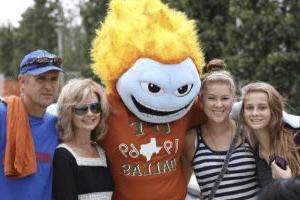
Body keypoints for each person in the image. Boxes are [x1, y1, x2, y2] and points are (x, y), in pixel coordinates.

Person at [183, 59, 260, 200]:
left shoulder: (249, 132)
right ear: (201, 100)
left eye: (225, 98)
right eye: (211, 98)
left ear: (233, 100)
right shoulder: (191, 140)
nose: (219, 105)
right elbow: (181, 187)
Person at [0, 49, 63, 200]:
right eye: (41, 79)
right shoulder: (3, 115)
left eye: (53, 79)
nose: (48, 86)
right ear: (22, 82)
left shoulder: (57, 125)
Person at [52, 78, 114, 200]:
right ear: (68, 112)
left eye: (95, 107)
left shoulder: (102, 152)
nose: (90, 114)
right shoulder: (63, 155)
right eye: (81, 109)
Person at [240, 82, 300, 187]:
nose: (254, 113)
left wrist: (287, 181)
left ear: (273, 110)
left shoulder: (296, 139)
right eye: (249, 108)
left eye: (262, 107)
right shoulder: (253, 153)